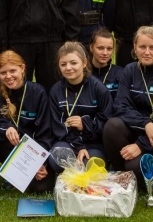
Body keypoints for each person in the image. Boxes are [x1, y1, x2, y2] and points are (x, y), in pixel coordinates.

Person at [103, 26, 153, 189]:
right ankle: (124, 178)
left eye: (152, 47)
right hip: (141, 130)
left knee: (134, 167)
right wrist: (146, 124)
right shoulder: (129, 70)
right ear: (134, 48)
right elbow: (121, 106)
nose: (147, 52)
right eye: (142, 47)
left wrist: (141, 145)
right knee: (112, 126)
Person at [0, 50, 54, 192]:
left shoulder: (38, 92)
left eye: (13, 71)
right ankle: (12, 173)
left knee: (42, 188)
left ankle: (20, 174)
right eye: (3, 73)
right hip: (10, 146)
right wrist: (7, 128)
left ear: (22, 68)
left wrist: (40, 162)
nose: (8, 76)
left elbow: (45, 133)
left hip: (33, 150)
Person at [48, 42, 113, 170]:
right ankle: (72, 171)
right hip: (67, 142)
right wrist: (79, 147)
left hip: (93, 143)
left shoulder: (99, 89)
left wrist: (85, 124)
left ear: (84, 63)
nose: (68, 68)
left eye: (73, 63)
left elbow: (106, 123)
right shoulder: (56, 91)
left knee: (90, 164)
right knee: (56, 159)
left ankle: (78, 171)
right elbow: (58, 127)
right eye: (63, 64)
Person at [89, 28, 122, 100]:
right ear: (91, 48)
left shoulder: (120, 73)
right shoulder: (83, 73)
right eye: (100, 48)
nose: (105, 53)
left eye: (109, 49)